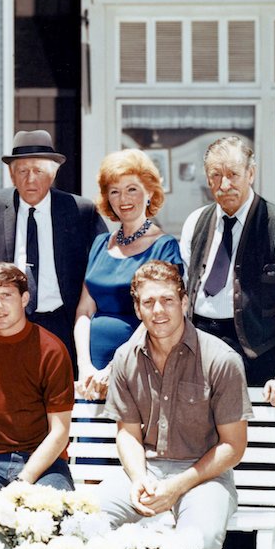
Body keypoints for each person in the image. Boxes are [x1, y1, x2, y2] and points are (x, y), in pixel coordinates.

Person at [97, 261, 252, 549]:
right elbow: (127, 433)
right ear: (137, 309)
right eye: (149, 302)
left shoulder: (221, 359)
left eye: (167, 300)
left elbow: (234, 445)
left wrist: (178, 485)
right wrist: (139, 478)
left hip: (205, 478)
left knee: (199, 542)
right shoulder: (124, 358)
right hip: (147, 471)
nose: (158, 310)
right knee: (86, 523)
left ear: (184, 302)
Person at [180, 136, 275, 408]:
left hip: (256, 354)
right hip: (200, 349)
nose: (224, 184)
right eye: (215, 175)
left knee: (258, 445)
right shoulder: (195, 222)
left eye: (233, 174)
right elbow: (184, 291)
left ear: (251, 174)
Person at [0, 129, 106, 364]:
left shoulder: (81, 211)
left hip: (62, 325)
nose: (30, 179)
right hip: (6, 323)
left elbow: (101, 265)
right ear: (12, 176)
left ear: (53, 174)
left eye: (38, 171)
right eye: (22, 171)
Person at [75, 149, 184, 400]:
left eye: (132, 189)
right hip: (92, 368)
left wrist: (114, 367)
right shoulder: (101, 243)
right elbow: (84, 311)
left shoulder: (164, 246)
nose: (124, 198)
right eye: (115, 191)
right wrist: (85, 366)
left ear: (149, 193)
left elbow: (159, 316)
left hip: (139, 362)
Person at [0, 263, 74, 490]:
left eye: (6, 296)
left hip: (45, 464)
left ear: (24, 298)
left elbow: (59, 432)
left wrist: (24, 480)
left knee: (53, 513)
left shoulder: (51, 349)